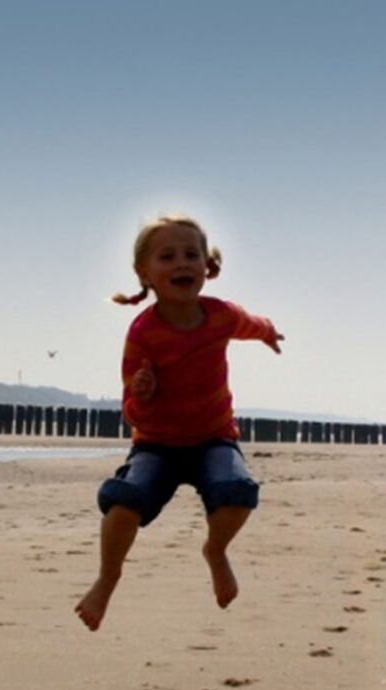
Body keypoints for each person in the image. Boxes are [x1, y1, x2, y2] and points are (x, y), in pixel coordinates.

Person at [75, 214, 283, 632]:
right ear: (145, 273)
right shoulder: (143, 332)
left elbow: (251, 324)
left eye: (191, 255)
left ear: (208, 267)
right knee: (123, 501)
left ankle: (216, 550)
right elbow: (131, 411)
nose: (182, 263)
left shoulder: (220, 315)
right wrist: (143, 392)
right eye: (167, 256)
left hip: (213, 439)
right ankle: (107, 577)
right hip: (157, 444)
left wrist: (269, 333)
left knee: (237, 493)